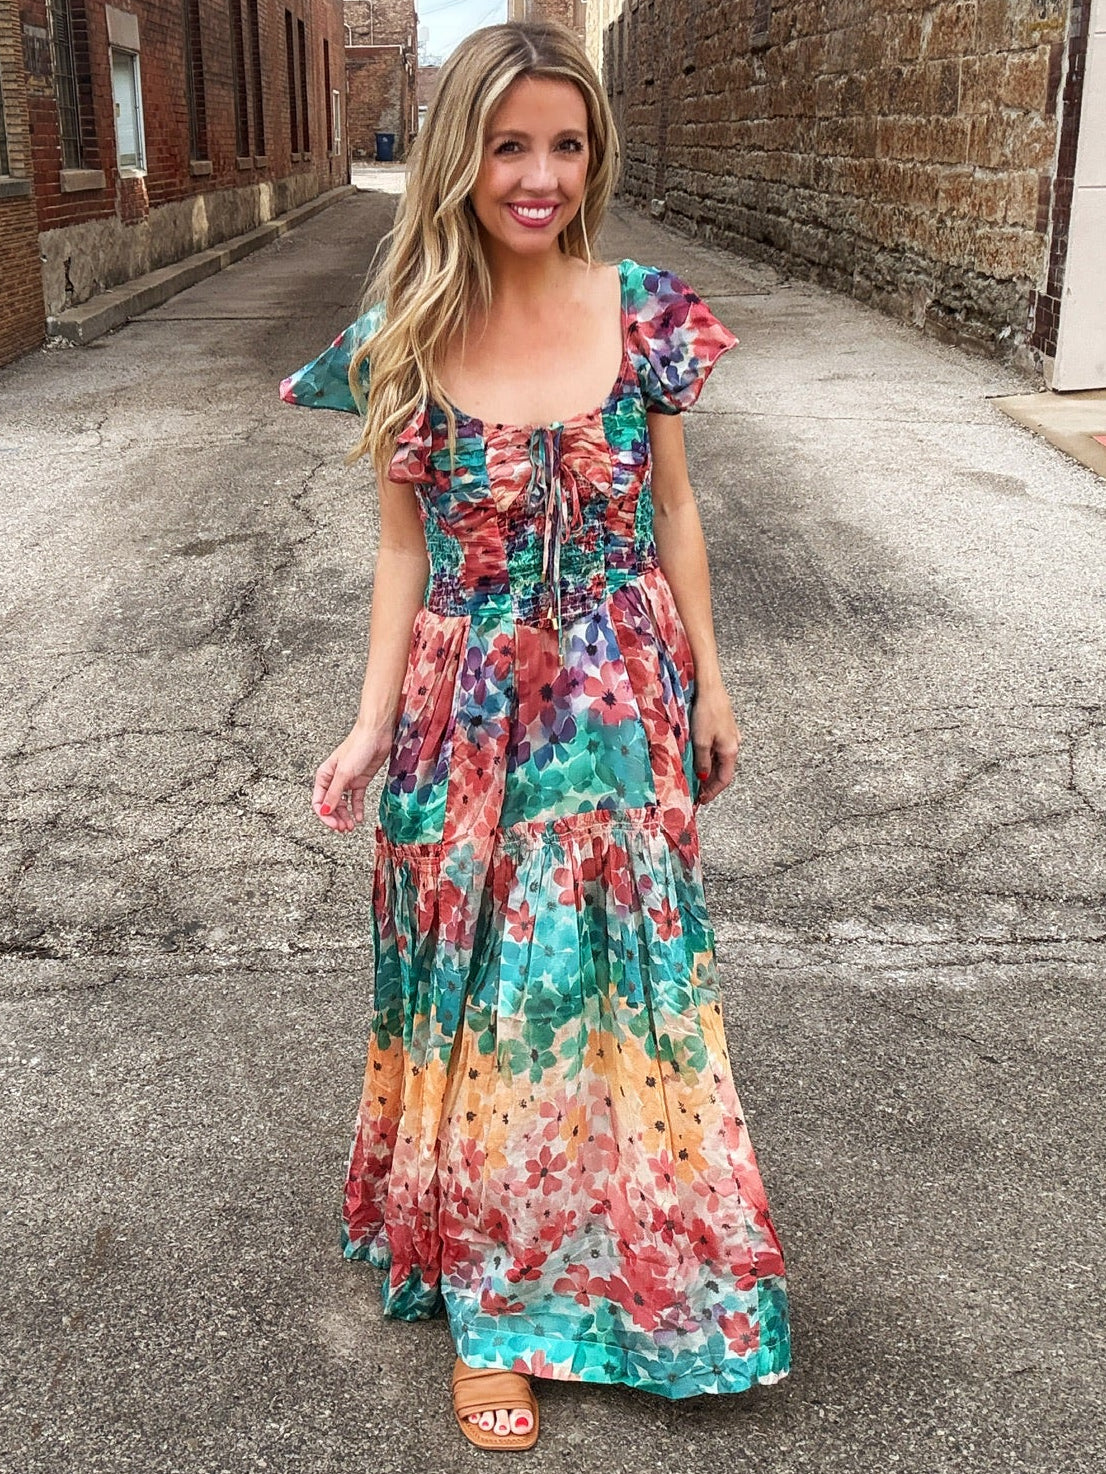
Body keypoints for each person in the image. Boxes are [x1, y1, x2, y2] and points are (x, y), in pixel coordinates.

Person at [280, 17, 791, 1452]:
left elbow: (675, 508)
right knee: (500, 1004)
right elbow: (404, 551)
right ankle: (500, 1310)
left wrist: (711, 681)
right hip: (463, 720)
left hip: (619, 703)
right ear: (460, 154)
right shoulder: (405, 339)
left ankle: (643, 1262)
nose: (540, 176)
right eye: (510, 145)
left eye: (566, 145)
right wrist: (368, 723)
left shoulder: (643, 312)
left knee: (616, 994)